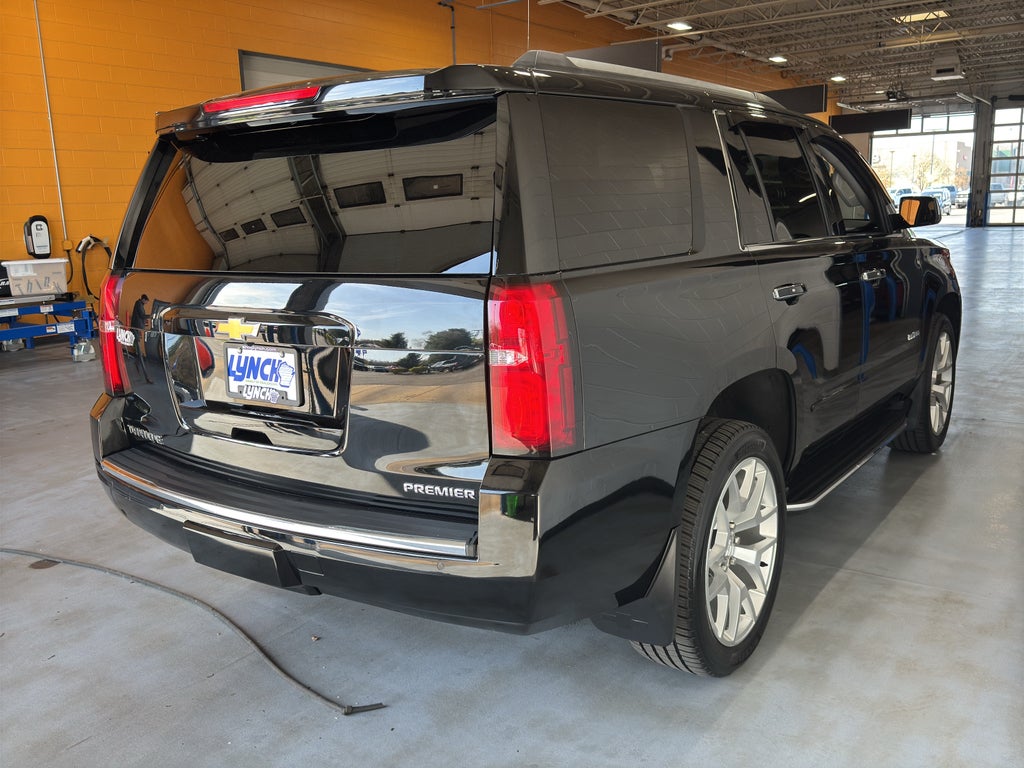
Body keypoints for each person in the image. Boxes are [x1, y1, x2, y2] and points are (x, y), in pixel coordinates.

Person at [129, 294, 153, 383]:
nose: (146, 303)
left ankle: (138, 360)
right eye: (146, 301)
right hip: (136, 328)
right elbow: (142, 316)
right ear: (143, 299)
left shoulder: (139, 304)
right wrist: (150, 316)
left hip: (137, 328)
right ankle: (146, 376)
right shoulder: (139, 304)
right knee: (138, 347)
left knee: (138, 347)